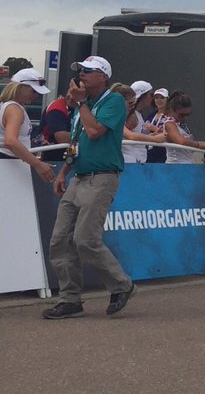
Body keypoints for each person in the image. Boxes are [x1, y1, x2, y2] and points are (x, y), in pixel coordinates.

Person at [43, 56, 136, 320]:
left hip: (102, 177)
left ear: (103, 77)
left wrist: (81, 103)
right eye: (80, 70)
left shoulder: (114, 101)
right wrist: (64, 171)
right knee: (60, 239)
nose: (81, 74)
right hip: (80, 176)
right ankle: (70, 299)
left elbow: (95, 131)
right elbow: (77, 140)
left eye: (88, 71)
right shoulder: (84, 105)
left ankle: (122, 285)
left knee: (85, 239)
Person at [1, 68, 56, 182]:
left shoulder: (7, 106)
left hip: (10, 164)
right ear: (21, 87)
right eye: (33, 91)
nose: (36, 96)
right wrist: (37, 164)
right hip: (10, 164)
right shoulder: (15, 109)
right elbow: (10, 141)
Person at [120, 80, 165, 164]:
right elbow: (130, 136)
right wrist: (155, 139)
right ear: (143, 96)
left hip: (137, 160)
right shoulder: (132, 115)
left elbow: (135, 135)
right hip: (130, 161)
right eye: (151, 95)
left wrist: (151, 135)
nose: (152, 98)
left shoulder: (137, 114)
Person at [162, 92, 205, 163]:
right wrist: (201, 144)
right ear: (172, 110)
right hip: (175, 165)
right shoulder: (169, 124)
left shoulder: (182, 126)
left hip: (187, 165)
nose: (185, 118)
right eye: (181, 115)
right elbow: (181, 141)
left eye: (187, 115)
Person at [145, 88, 171, 163]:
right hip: (149, 152)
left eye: (162, 98)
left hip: (163, 152)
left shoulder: (170, 116)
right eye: (156, 98)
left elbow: (172, 132)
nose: (159, 100)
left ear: (167, 99)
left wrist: (154, 128)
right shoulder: (151, 115)